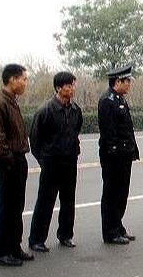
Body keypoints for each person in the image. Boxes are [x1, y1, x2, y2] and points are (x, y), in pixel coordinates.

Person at [29, 72, 83, 252]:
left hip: (69, 161)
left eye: (73, 85)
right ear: (58, 88)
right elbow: (35, 140)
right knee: (45, 201)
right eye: (68, 86)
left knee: (68, 200)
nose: (72, 89)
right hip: (51, 163)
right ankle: (36, 239)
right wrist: (44, 160)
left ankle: (66, 235)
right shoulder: (45, 111)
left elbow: (76, 131)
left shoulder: (75, 110)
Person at [0, 64, 33, 266]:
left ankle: (14, 247)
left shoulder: (12, 102)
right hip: (8, 162)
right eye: (23, 79)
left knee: (17, 207)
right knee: (6, 208)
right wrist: (8, 159)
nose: (25, 83)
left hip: (18, 160)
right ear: (12, 79)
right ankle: (1, 252)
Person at [98, 65, 139, 245]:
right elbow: (108, 132)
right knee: (111, 194)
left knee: (122, 193)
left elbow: (127, 128)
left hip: (124, 154)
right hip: (113, 157)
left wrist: (132, 150)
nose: (129, 84)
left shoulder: (120, 99)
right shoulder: (107, 101)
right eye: (127, 81)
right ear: (117, 82)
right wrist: (115, 152)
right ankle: (110, 231)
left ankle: (118, 225)